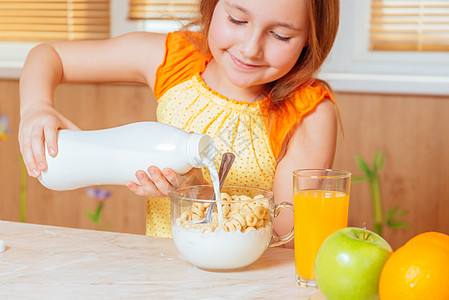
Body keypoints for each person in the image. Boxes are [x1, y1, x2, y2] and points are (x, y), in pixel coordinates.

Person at [19, 0, 340, 242]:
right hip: (161, 276)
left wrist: (196, 193)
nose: (250, 48)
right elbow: (50, 56)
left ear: (309, 39)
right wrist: (36, 106)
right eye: (237, 19)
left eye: (281, 35)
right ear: (212, 7)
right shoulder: (174, 59)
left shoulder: (307, 113)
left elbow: (285, 238)